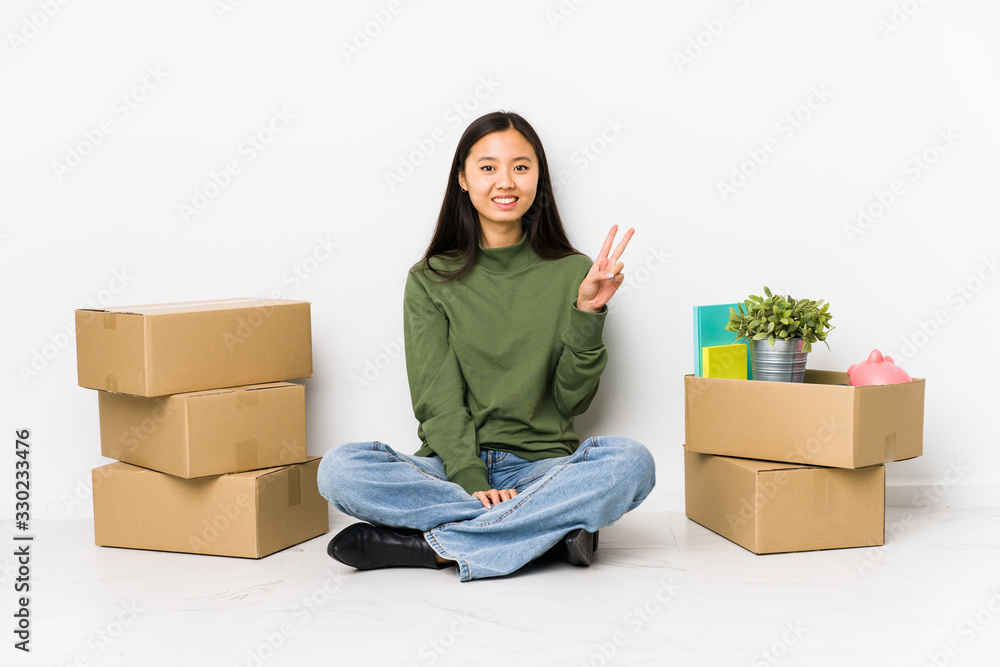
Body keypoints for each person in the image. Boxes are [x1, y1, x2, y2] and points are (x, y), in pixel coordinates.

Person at [317, 110, 655, 582]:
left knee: (631, 463)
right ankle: (548, 532)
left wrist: (587, 314)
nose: (506, 181)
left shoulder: (573, 271)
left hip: (540, 469)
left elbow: (570, 402)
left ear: (539, 177)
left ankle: (432, 549)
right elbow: (437, 400)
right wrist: (471, 480)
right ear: (463, 178)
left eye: (521, 166)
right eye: (488, 167)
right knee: (339, 471)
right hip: (451, 469)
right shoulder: (430, 279)